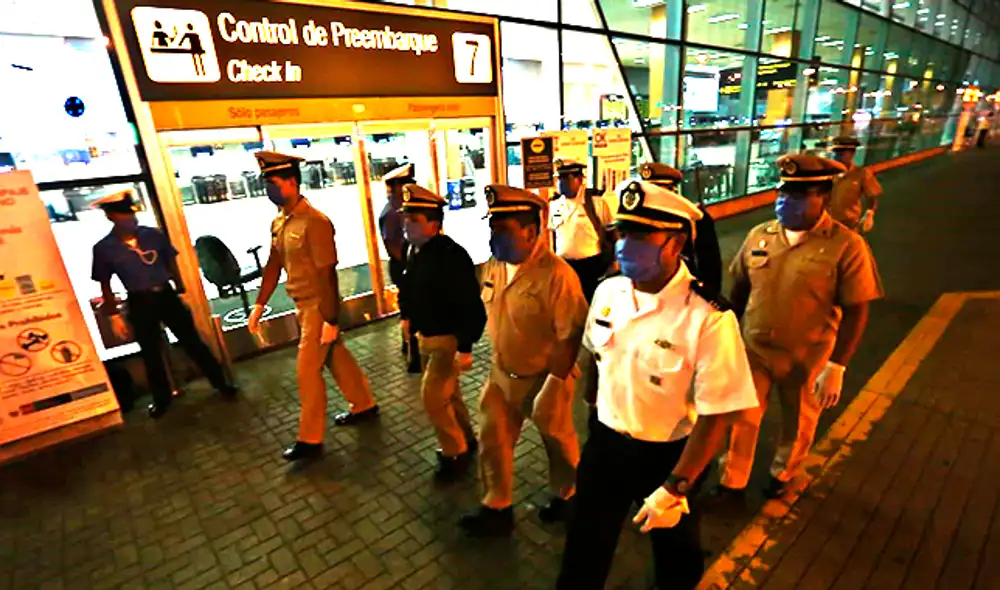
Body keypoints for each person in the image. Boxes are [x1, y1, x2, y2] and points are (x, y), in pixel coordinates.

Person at [556, 180, 759, 590]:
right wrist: (593, 404)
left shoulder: (708, 318)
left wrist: (677, 485)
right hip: (605, 444)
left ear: (676, 242)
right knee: (584, 546)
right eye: (622, 233)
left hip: (667, 457)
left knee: (676, 555)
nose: (625, 245)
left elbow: (718, 413)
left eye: (641, 236)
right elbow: (596, 353)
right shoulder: (608, 291)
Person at [709, 154, 882, 503]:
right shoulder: (760, 236)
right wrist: (725, 338)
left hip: (807, 354)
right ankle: (732, 482)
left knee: (798, 421)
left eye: (800, 196)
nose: (786, 202)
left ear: (825, 198)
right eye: (782, 194)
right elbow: (739, 289)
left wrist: (837, 365)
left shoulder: (846, 245)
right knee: (740, 416)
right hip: (754, 348)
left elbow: (856, 309)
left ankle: (783, 474)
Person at [459, 184, 589, 537]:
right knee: (493, 440)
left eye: (503, 229)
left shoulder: (558, 276)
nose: (493, 236)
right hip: (502, 375)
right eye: (492, 228)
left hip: (544, 378)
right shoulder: (493, 267)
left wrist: (554, 385)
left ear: (531, 232)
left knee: (558, 442)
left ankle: (569, 496)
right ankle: (496, 505)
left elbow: (570, 336)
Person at [246, 151, 379, 461]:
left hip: (318, 307)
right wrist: (260, 304)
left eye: (274, 182)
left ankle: (310, 439)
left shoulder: (315, 222)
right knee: (336, 358)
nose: (269, 188)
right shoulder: (280, 221)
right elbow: (273, 263)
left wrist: (331, 319)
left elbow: (327, 275)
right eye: (266, 182)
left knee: (306, 373)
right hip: (301, 304)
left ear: (292, 182)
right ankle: (364, 404)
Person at [91, 190, 237, 418]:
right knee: (151, 353)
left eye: (131, 214)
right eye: (123, 215)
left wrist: (177, 289)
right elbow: (105, 284)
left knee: (192, 342)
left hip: (166, 296)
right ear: (110, 217)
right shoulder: (104, 249)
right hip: (140, 300)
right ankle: (162, 399)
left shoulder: (153, 235)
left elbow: (170, 262)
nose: (130, 219)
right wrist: (113, 315)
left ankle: (221, 383)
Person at [397, 183, 487, 481]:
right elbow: (409, 289)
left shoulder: (451, 256)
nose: (406, 224)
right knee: (451, 395)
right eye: (406, 218)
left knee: (433, 398)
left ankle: (455, 451)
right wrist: (406, 318)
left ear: (434, 224)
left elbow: (469, 304)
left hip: (447, 340)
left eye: (414, 219)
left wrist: (465, 347)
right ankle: (466, 437)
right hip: (426, 338)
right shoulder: (414, 249)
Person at [639, 161, 723, 294]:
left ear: (673, 192)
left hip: (683, 290)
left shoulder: (695, 218)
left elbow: (710, 264)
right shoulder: (639, 219)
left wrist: (708, 294)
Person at [549, 159, 614, 303]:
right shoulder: (555, 205)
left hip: (591, 266)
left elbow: (611, 232)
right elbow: (552, 236)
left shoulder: (596, 202)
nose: (561, 183)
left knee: (591, 301)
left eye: (566, 178)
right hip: (564, 265)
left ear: (579, 179)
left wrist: (613, 261)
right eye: (559, 178)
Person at [379, 163, 421, 373]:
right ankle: (412, 355)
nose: (408, 187)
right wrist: (409, 267)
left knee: (410, 309)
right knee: (409, 312)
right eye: (404, 184)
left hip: (406, 264)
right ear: (395, 186)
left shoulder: (401, 207)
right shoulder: (392, 212)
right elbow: (391, 245)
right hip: (402, 266)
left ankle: (410, 347)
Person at [828, 136, 882, 234]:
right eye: (835, 152)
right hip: (826, 224)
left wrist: (870, 213)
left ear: (852, 154)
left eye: (841, 153)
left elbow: (872, 195)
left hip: (848, 225)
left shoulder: (861, 174)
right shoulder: (826, 172)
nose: (836, 156)